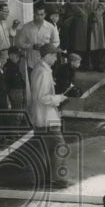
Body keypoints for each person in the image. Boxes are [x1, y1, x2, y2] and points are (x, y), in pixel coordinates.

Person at [27, 43, 71, 188]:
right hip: (46, 117)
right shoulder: (43, 72)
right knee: (60, 147)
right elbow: (42, 97)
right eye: (54, 55)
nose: (56, 58)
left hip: (42, 116)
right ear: (47, 55)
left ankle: (45, 178)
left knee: (46, 148)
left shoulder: (40, 69)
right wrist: (58, 99)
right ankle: (59, 179)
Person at [68, 0, 105, 71]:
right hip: (83, 18)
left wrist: (97, 13)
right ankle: (84, 64)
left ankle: (97, 64)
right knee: (83, 43)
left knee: (96, 43)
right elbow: (73, 2)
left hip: (95, 18)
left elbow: (103, 2)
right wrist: (81, 12)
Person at [1, 45, 28, 129]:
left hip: (18, 91)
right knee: (15, 113)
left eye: (19, 56)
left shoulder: (15, 66)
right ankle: (14, 133)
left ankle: (15, 130)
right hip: (14, 92)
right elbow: (6, 82)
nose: (18, 58)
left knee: (18, 112)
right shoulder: (8, 67)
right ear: (11, 55)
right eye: (17, 56)